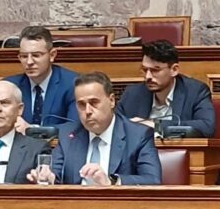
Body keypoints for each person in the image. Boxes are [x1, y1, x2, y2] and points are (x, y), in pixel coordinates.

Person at [29, 71, 162, 186]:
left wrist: (111, 181)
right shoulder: (68, 135)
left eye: (94, 103)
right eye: (81, 104)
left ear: (111, 101)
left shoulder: (138, 135)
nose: (87, 111)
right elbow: (56, 174)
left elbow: (153, 180)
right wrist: (49, 177)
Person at [117, 40, 216, 138]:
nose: (148, 76)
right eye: (145, 70)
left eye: (155, 70)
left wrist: (156, 126)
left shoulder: (195, 92)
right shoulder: (132, 94)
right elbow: (114, 126)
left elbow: (206, 127)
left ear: (174, 70)